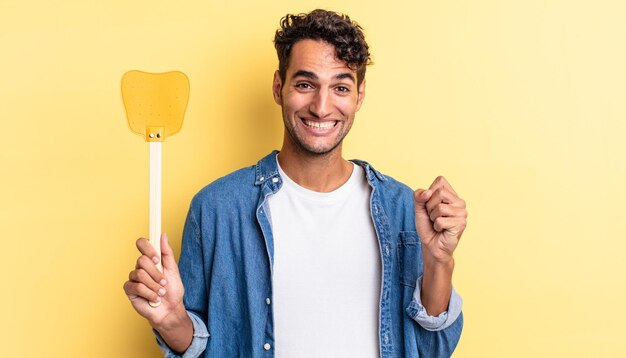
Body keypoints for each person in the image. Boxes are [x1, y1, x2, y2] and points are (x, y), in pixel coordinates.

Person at [123, 9, 467, 358]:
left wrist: (440, 261)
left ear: (359, 95)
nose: (321, 106)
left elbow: (432, 348)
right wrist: (170, 320)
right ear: (278, 87)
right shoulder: (217, 208)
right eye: (305, 84)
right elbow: (201, 343)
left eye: (340, 87)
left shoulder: (402, 208)